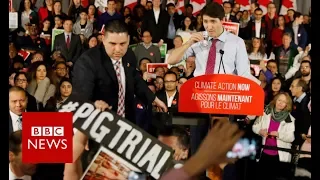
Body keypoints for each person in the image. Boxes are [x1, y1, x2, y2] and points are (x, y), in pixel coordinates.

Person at [65, 20, 167, 179]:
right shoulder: (88, 61)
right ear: (103, 39)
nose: (118, 49)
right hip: (98, 130)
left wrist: (153, 98)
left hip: (125, 128)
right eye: (112, 43)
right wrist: (81, 132)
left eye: (123, 44)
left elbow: (134, 77)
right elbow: (81, 98)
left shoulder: (129, 55)